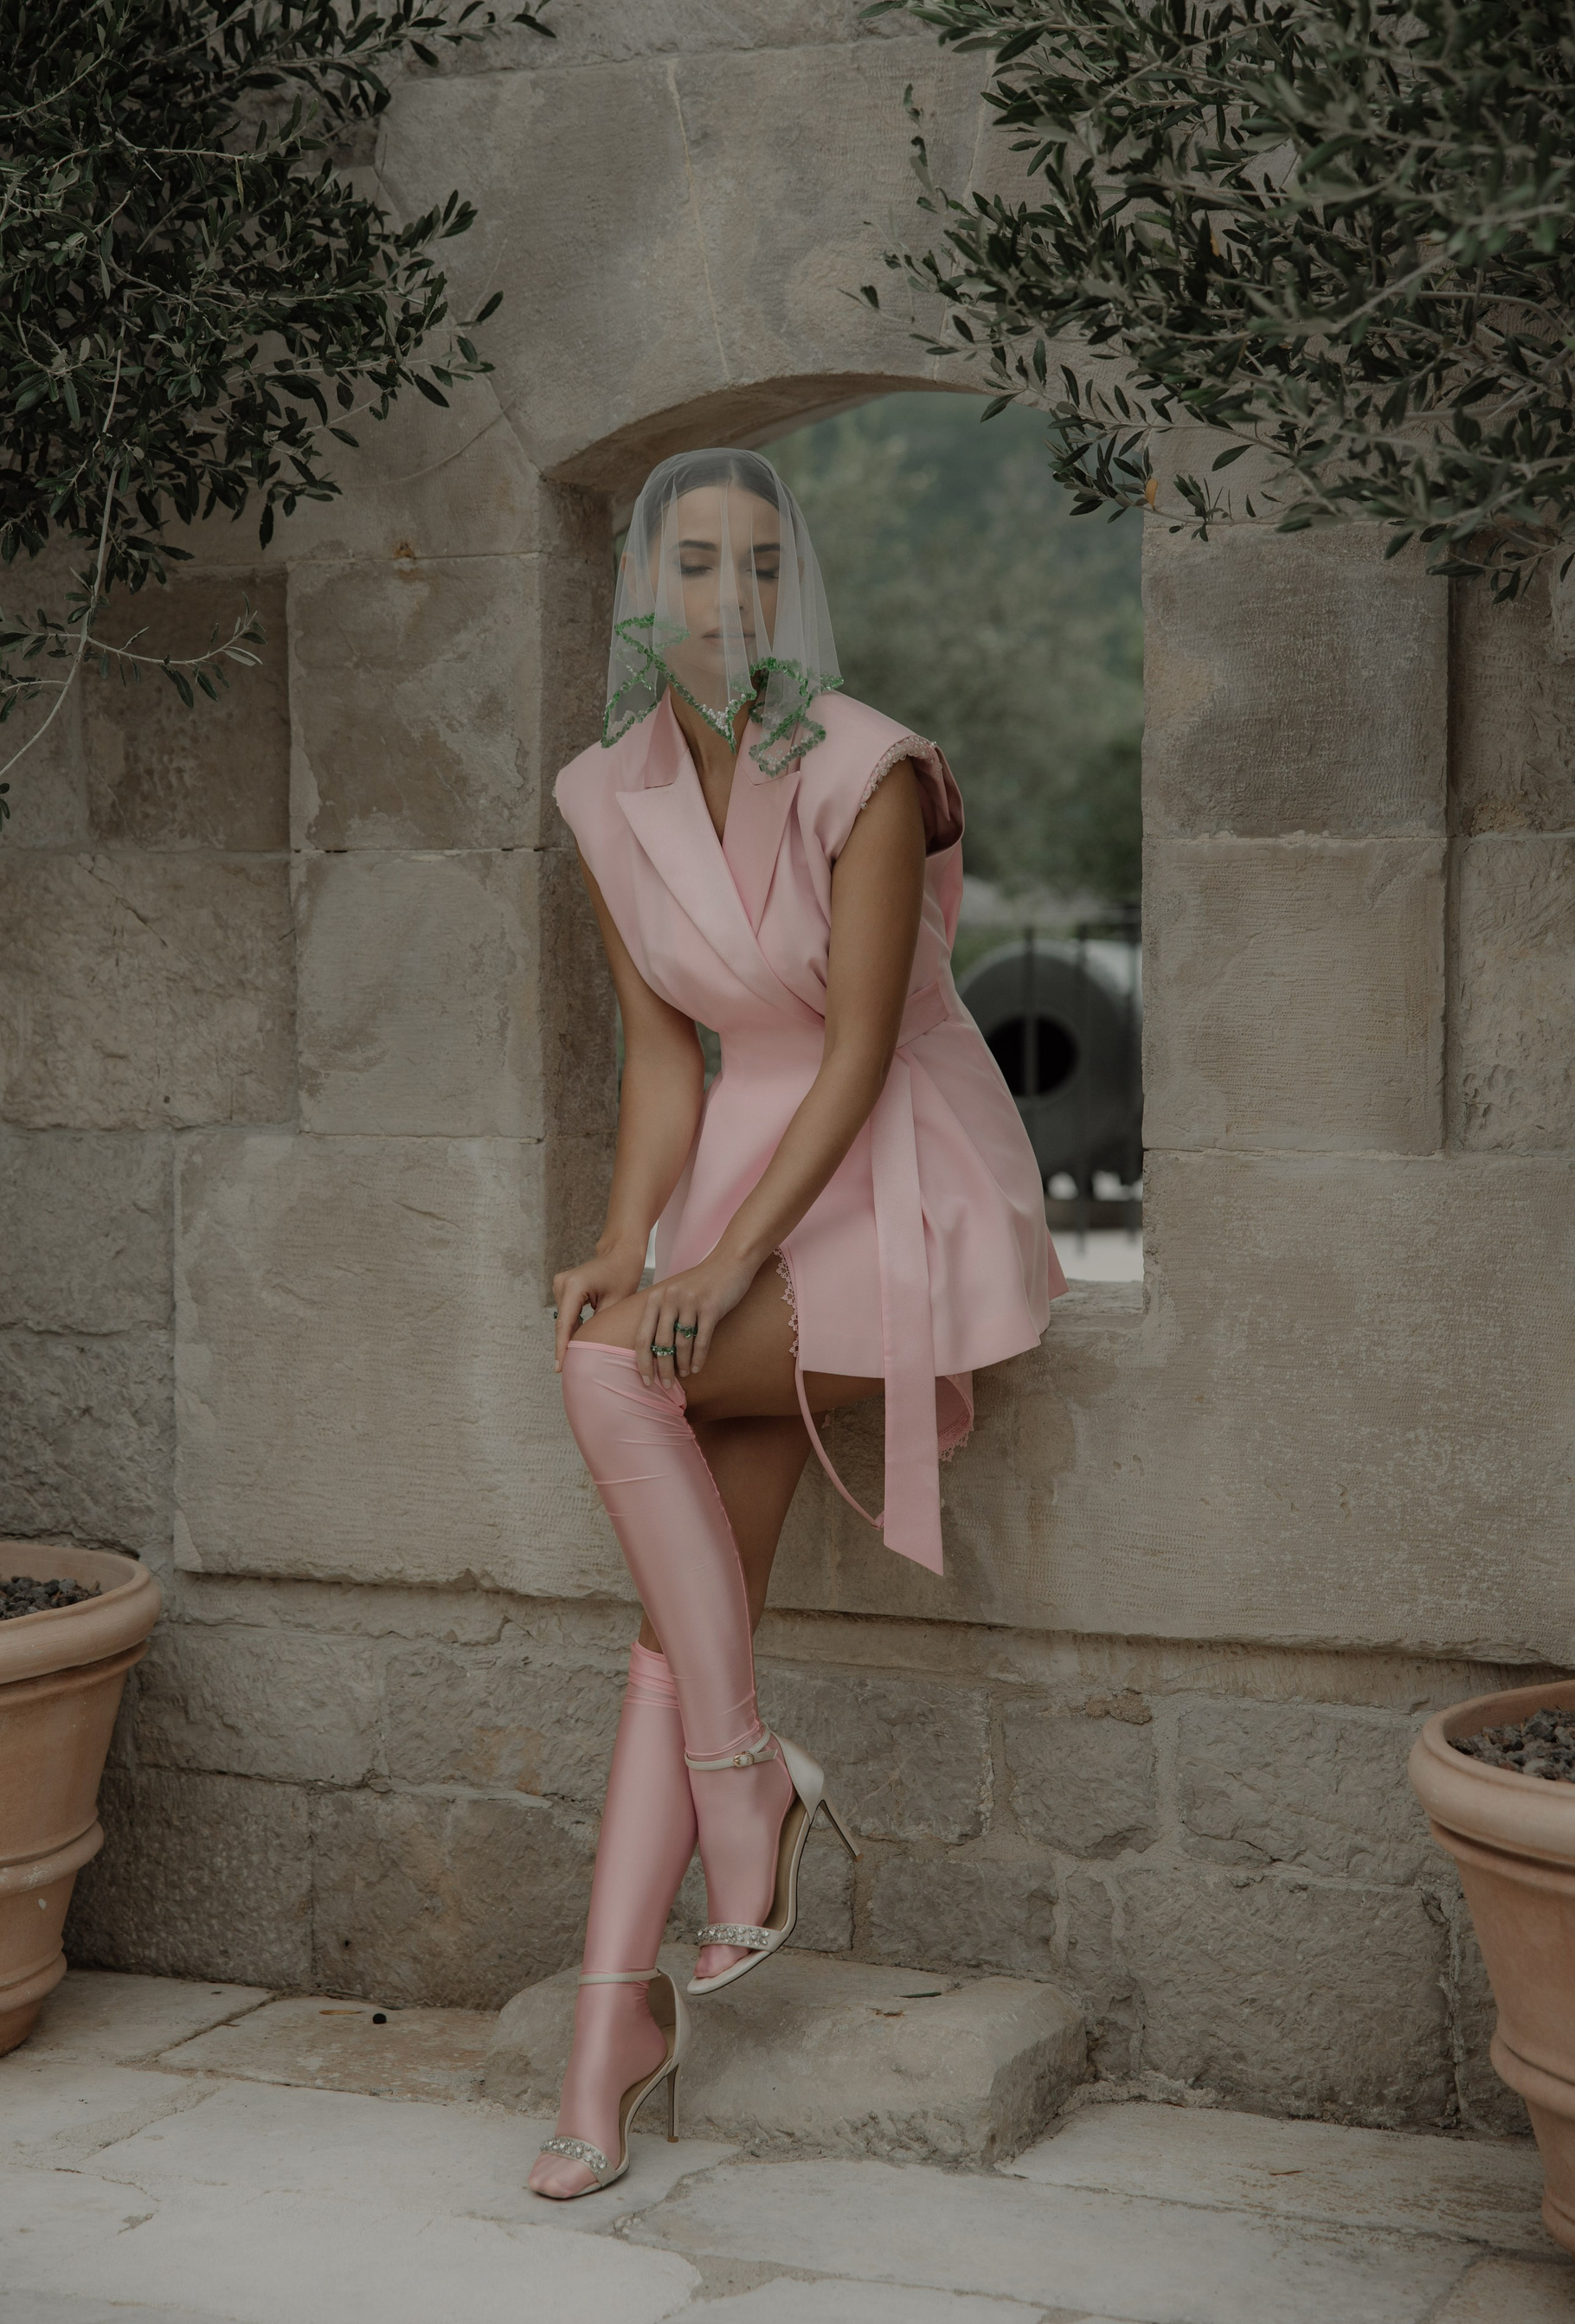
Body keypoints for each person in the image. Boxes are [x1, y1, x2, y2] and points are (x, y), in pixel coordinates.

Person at [527, 446, 1067, 2199]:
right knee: (682, 1623)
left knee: (608, 1374)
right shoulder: (601, 792)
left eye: (760, 563)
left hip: (896, 1182)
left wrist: (716, 1269)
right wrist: (626, 1240)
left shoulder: (868, 766)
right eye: (693, 563)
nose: (729, 597)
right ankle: (608, 2038)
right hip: (731, 1196)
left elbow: (855, 1051)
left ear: (796, 582)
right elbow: (664, 1057)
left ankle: (746, 1783)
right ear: (641, 586)